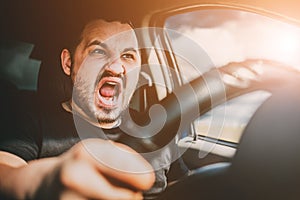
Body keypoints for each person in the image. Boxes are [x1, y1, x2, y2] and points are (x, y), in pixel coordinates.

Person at [0, 19, 188, 200]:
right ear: (68, 63)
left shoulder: (156, 129)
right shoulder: (30, 121)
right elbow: (6, 172)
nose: (116, 68)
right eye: (98, 51)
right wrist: (43, 184)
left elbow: (184, 189)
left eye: (128, 56)